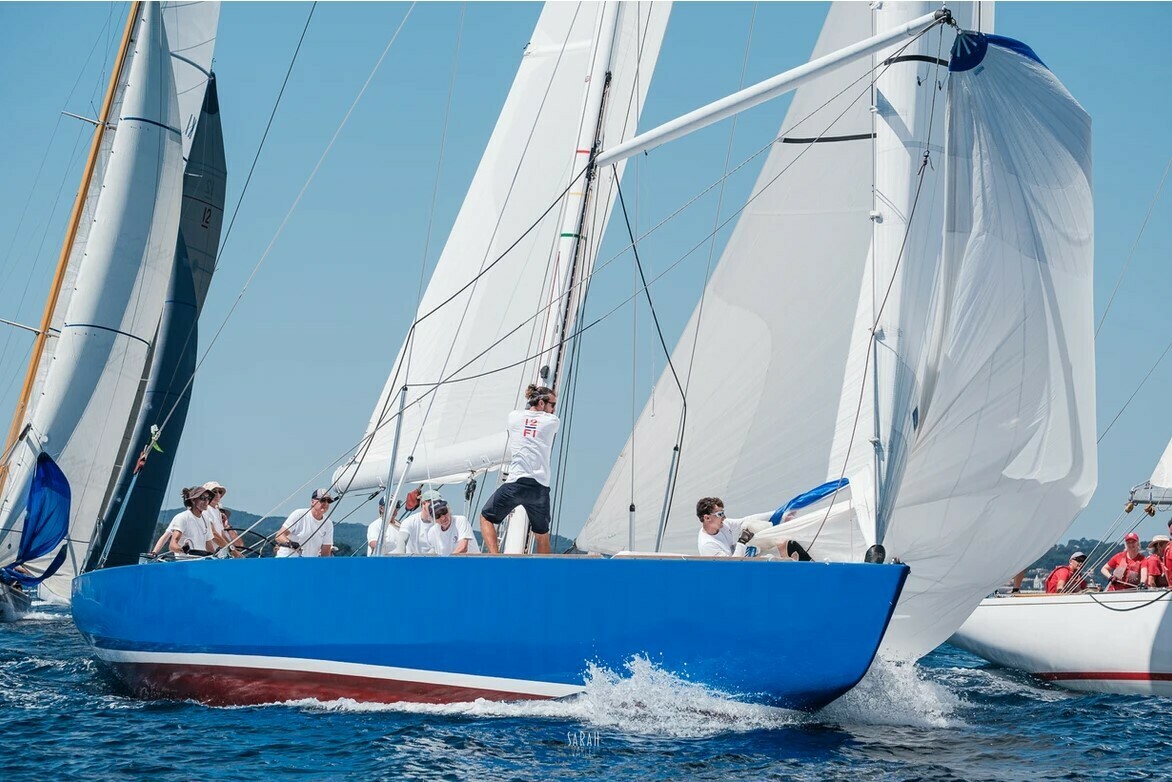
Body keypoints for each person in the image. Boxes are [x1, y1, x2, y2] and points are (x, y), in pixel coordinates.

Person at [480, 384, 560, 555]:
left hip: (515, 484)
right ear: (541, 403)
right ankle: (543, 572)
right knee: (542, 535)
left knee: (486, 518)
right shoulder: (552, 421)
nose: (553, 409)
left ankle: (495, 558)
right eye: (552, 404)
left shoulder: (514, 417)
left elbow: (526, 417)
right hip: (539, 487)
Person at [695, 497, 811, 560]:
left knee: (782, 542)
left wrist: (780, 515)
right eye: (720, 514)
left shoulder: (724, 524)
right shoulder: (708, 545)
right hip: (735, 576)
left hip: (743, 560)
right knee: (772, 557)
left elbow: (747, 520)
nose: (724, 517)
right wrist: (742, 542)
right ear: (707, 518)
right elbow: (731, 568)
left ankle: (806, 565)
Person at [151, 486, 214, 556]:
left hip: (200, 562)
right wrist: (183, 550)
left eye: (208, 498)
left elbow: (209, 546)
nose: (206, 501)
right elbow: (172, 545)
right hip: (185, 563)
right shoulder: (182, 517)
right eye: (202, 498)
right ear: (193, 500)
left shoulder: (206, 519)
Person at [274, 488, 335, 557]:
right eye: (323, 500)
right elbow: (279, 536)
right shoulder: (299, 514)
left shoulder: (328, 523)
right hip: (287, 560)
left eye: (329, 501)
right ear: (312, 502)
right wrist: (290, 544)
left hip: (308, 563)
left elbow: (325, 552)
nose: (326, 503)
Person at [398, 489, 442, 555]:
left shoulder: (441, 522)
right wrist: (400, 561)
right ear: (424, 503)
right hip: (413, 562)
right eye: (433, 503)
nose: (436, 505)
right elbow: (401, 541)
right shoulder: (410, 521)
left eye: (439, 503)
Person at [201, 481, 231, 553]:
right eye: (214, 491)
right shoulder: (205, 510)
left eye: (220, 492)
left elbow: (222, 535)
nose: (217, 494)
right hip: (207, 556)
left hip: (218, 555)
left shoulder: (217, 511)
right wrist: (233, 551)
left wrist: (233, 549)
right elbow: (213, 534)